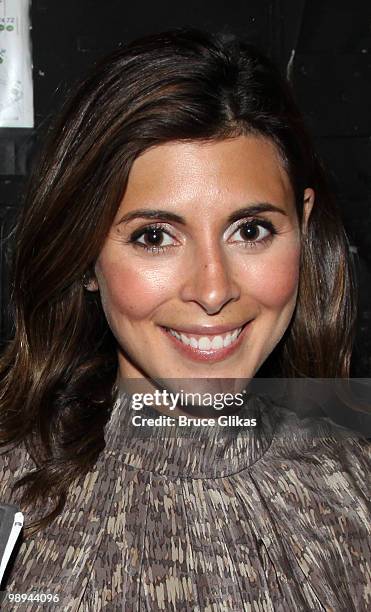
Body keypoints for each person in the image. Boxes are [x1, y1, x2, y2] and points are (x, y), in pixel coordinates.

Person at [0, 27, 370, 611]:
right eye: (154, 236)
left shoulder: (358, 493)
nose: (214, 289)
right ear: (85, 257)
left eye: (250, 231)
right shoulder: (9, 496)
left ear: (301, 224)